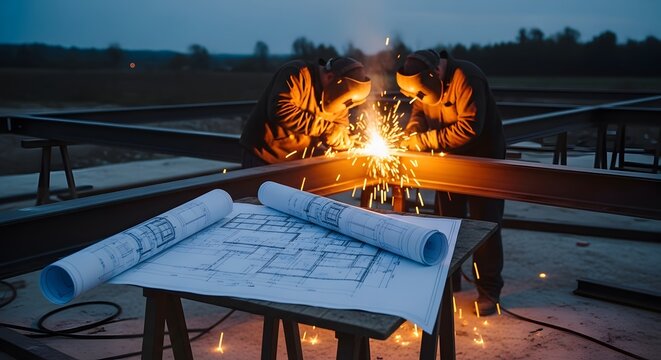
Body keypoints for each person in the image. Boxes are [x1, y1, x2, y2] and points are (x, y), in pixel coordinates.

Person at [396, 49, 505, 315]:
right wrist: (413, 131)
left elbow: (469, 127)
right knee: (445, 223)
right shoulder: (423, 84)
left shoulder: (467, 77)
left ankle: (489, 291)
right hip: (448, 162)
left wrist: (424, 141)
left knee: (484, 227)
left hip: (483, 162)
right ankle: (448, 282)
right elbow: (419, 111)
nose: (418, 98)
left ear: (435, 74)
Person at [240, 57, 371, 167]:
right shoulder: (297, 73)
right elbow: (280, 110)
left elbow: (339, 127)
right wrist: (327, 129)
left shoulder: (339, 97)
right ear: (330, 77)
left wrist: (344, 141)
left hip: (296, 162)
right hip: (263, 156)